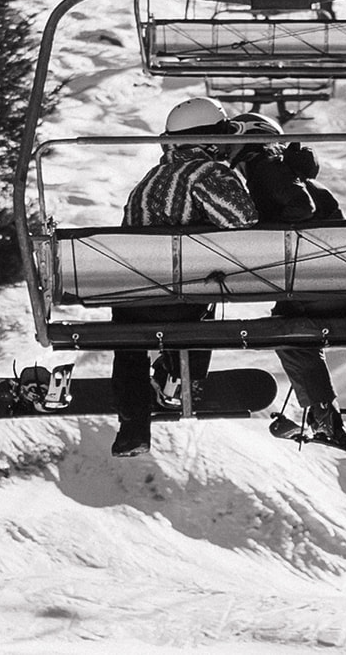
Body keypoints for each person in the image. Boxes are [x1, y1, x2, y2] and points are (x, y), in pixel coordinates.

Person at [227, 112, 346, 449]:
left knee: (288, 331)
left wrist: (266, 233)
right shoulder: (297, 174)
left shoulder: (264, 172)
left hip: (315, 288)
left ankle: (323, 414)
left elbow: (300, 209)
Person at [112, 97, 257, 457]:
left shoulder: (149, 179)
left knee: (129, 347)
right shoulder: (204, 173)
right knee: (204, 299)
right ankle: (178, 377)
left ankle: (133, 428)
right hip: (181, 304)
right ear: (210, 139)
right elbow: (243, 219)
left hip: (130, 301)